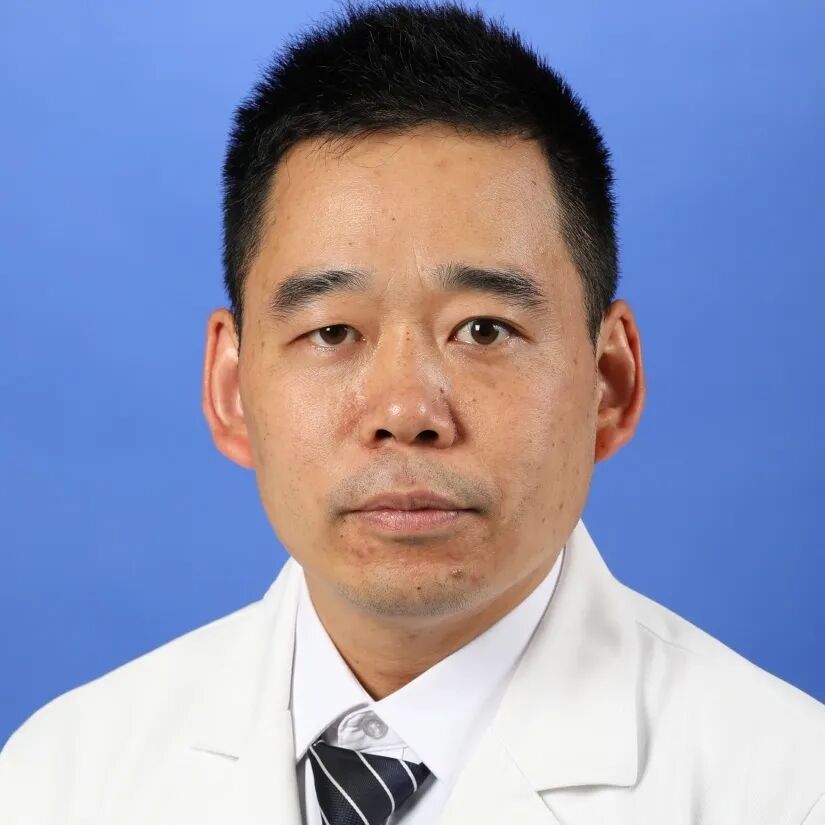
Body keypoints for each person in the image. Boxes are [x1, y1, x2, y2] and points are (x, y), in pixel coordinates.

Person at [2, 1, 824, 822]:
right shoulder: (61, 779)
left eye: (483, 329)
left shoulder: (786, 786)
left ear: (609, 381)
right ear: (230, 388)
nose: (404, 410)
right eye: (332, 331)